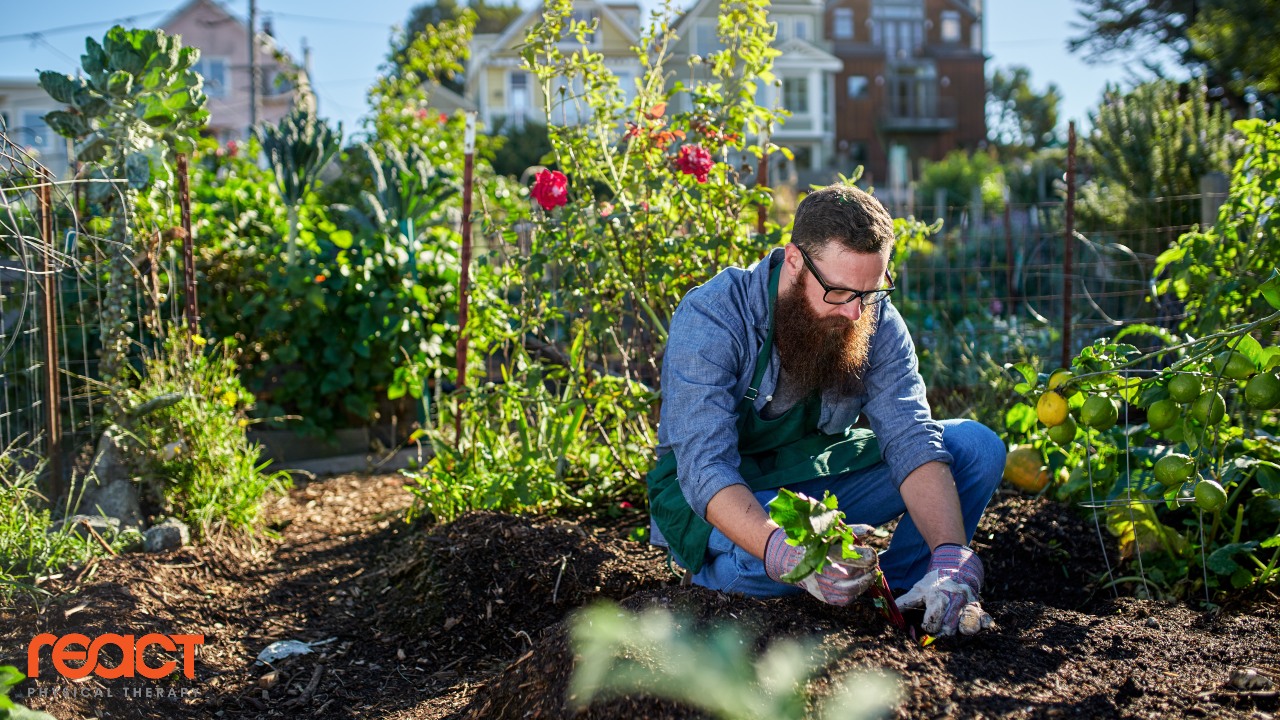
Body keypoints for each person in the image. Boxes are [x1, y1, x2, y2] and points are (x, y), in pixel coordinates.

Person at [645, 184, 1005, 636]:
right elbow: (705, 468)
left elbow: (911, 436)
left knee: (975, 447)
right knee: (773, 563)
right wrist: (781, 551)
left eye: (870, 292)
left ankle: (908, 597)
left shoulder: (872, 316)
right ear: (794, 260)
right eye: (838, 291)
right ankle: (713, 583)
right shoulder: (715, 316)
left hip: (811, 476)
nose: (856, 312)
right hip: (720, 495)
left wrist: (950, 554)